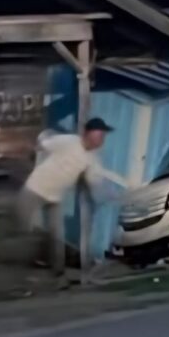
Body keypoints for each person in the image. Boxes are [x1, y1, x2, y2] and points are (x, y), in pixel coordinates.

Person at [19, 117, 114, 274]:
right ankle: (18, 261)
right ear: (87, 134)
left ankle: (58, 271)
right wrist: (34, 153)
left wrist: (108, 194)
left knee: (57, 235)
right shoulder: (69, 141)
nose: (101, 141)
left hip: (55, 196)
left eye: (103, 137)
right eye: (99, 136)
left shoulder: (91, 159)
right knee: (21, 222)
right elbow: (44, 144)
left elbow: (94, 181)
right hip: (35, 188)